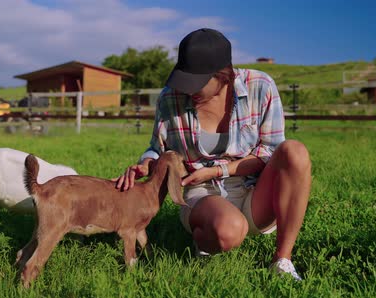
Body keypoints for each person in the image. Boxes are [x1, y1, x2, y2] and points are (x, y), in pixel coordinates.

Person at [114, 28, 311, 280]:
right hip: (202, 191)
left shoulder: (260, 87)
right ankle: (207, 238)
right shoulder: (170, 98)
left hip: (254, 190)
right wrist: (145, 163)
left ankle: (282, 260)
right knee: (228, 230)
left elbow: (272, 152)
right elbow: (157, 148)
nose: (188, 90)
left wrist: (221, 170)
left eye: (196, 83)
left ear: (223, 75)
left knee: (295, 151)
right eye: (184, 80)